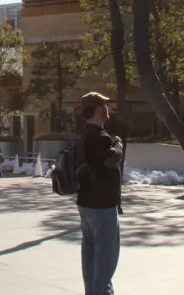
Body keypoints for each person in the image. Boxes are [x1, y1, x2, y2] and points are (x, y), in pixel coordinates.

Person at [76, 92, 123, 295]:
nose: (108, 109)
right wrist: (118, 146)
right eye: (105, 106)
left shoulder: (83, 134)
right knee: (105, 261)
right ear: (97, 110)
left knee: (91, 258)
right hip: (102, 206)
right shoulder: (100, 137)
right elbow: (109, 161)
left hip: (86, 204)